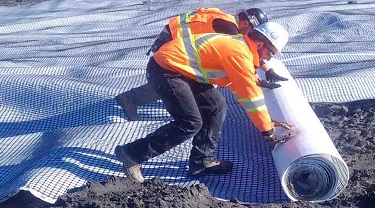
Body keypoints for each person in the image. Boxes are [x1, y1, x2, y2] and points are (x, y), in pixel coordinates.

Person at [115, 21, 295, 183]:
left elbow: (241, 79)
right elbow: (250, 97)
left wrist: (266, 118)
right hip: (166, 69)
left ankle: (202, 162)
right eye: (270, 53)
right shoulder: (239, 53)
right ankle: (132, 154)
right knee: (190, 122)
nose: (268, 58)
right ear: (260, 43)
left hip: (183, 71)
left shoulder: (240, 46)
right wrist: (268, 132)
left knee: (215, 106)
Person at [116, 8, 288, 121]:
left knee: (173, 81)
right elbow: (239, 60)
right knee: (170, 81)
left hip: (174, 39)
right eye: (252, 30)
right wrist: (253, 77)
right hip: (173, 45)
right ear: (246, 23)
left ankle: (135, 97)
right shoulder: (230, 29)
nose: (251, 34)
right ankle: (129, 99)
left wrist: (267, 70)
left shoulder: (227, 19)